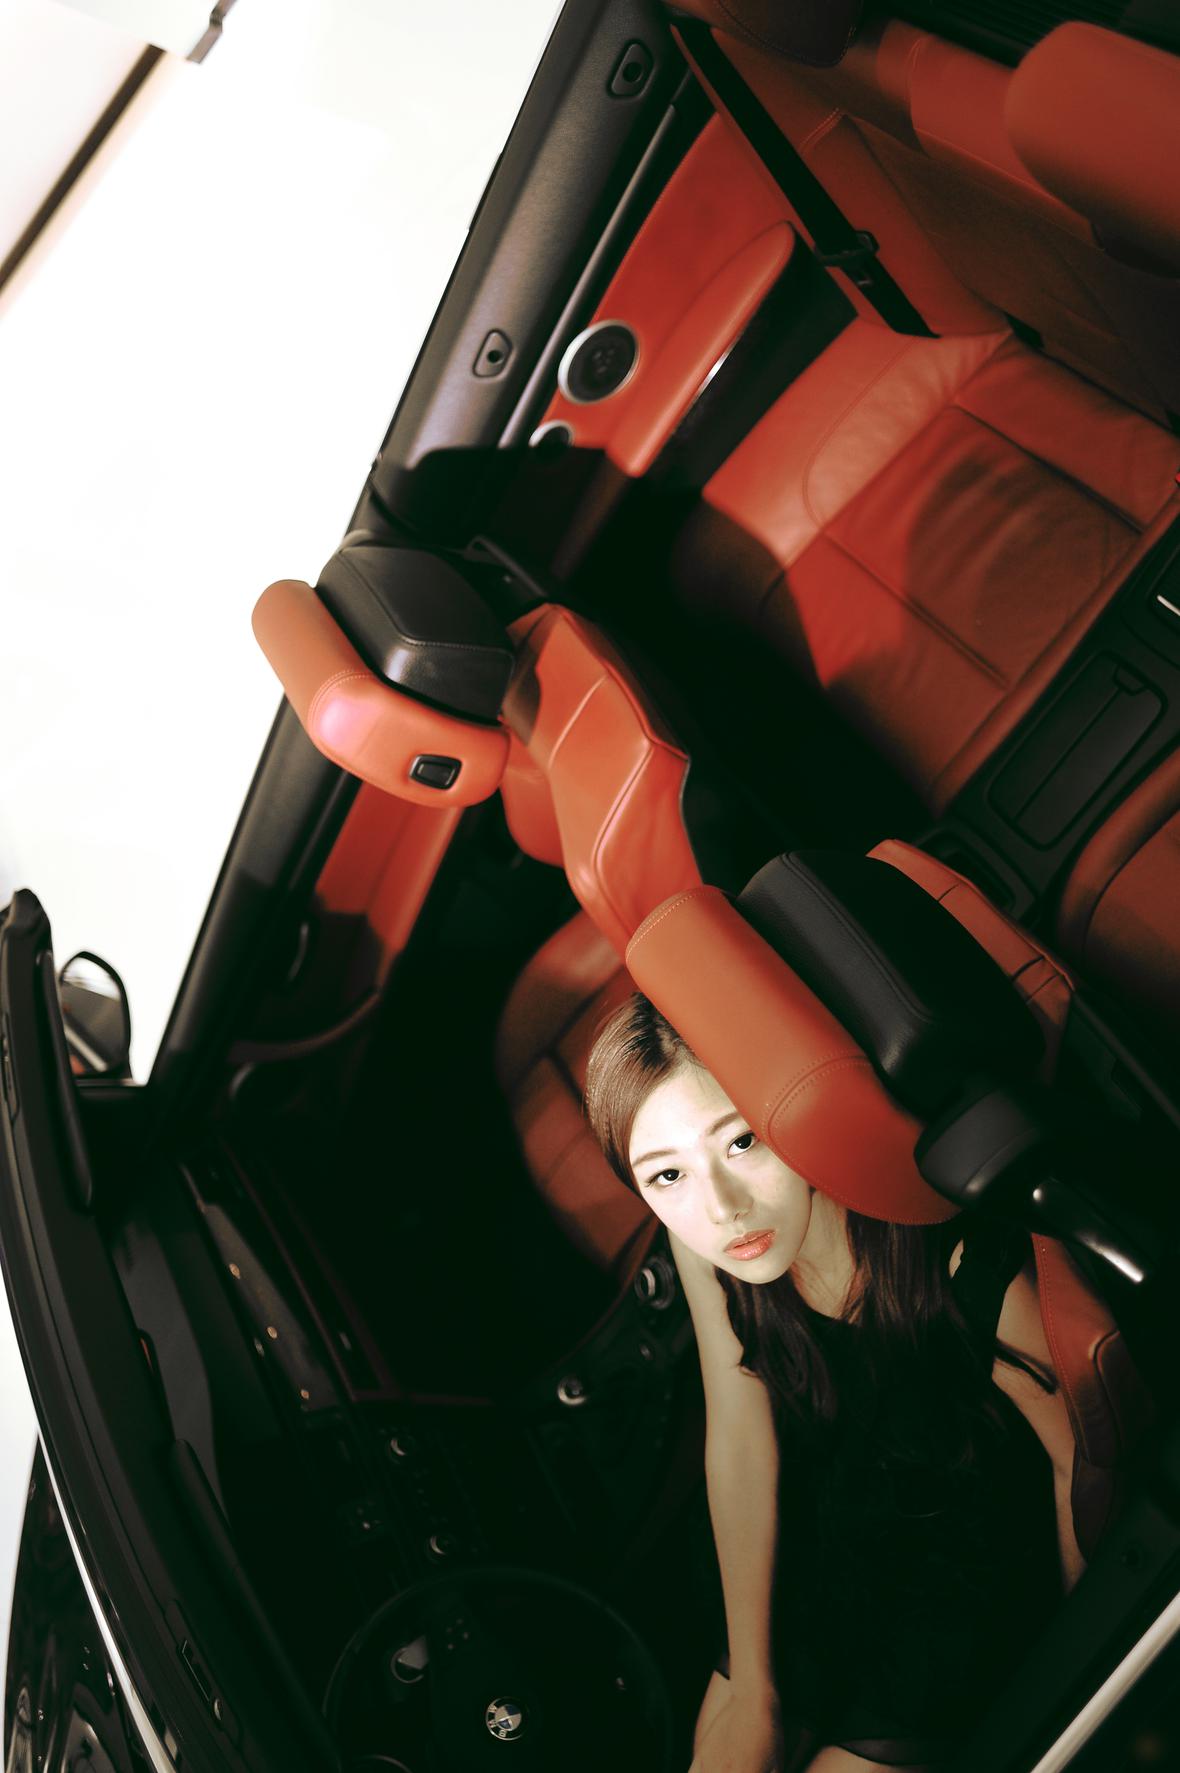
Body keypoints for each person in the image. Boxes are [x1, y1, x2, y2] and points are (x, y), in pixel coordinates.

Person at [584, 991, 1085, 1773]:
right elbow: (740, 1433)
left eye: (743, 1140)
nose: (722, 1207)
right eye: (667, 1174)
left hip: (953, 1579)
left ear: (796, 1114)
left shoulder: (965, 1268)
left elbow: (1081, 1468)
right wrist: (755, 1688)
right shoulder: (708, 1244)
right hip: (815, 1529)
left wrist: (1072, 1674)